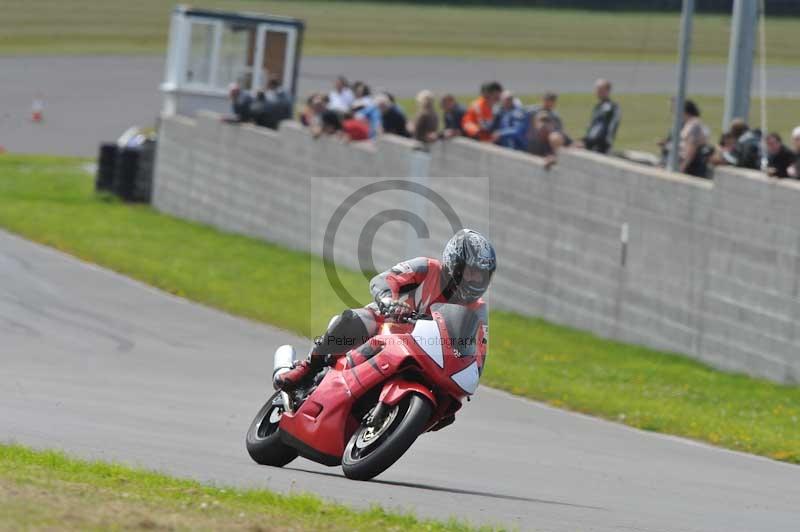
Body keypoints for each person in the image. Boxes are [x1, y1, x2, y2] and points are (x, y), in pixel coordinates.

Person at [274, 229, 496, 392]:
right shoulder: (427, 267)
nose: (474, 280)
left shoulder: (478, 309)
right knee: (354, 319)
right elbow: (385, 279)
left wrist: (471, 370)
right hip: (387, 324)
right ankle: (308, 368)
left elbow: (479, 352)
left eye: (480, 275)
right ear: (453, 263)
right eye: (470, 272)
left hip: (425, 355)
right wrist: (388, 300)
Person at [578, 79, 620, 154]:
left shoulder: (611, 107)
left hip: (600, 145)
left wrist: (586, 142)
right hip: (591, 142)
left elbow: (603, 130)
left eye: (600, 89)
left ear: (607, 91)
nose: (597, 91)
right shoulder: (598, 106)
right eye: (597, 89)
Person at [678, 100, 711, 178]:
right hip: (690, 163)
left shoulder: (694, 124)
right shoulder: (691, 123)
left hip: (692, 166)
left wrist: (682, 167)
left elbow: (692, 147)